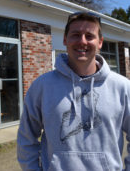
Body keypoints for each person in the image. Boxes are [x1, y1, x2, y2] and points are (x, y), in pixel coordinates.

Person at [17, 12, 130, 170]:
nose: (82, 41)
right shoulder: (42, 86)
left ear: (100, 42)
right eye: (75, 35)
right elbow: (26, 139)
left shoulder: (123, 87)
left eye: (89, 36)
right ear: (65, 40)